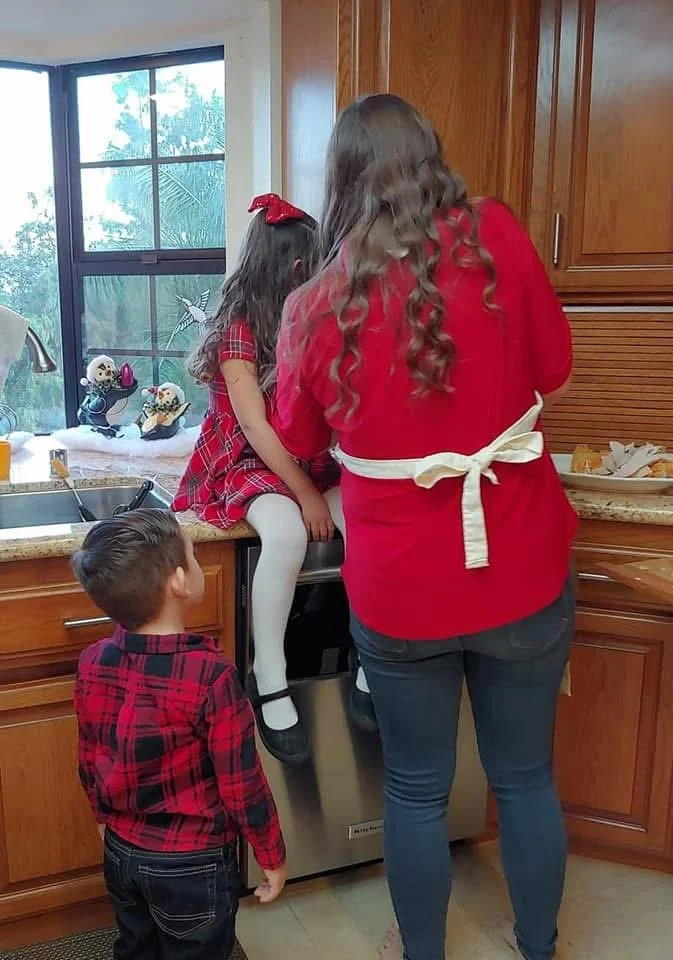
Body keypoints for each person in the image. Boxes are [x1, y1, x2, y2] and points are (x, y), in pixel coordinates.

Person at [273, 94, 577, 960]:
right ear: (431, 159)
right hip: (520, 569)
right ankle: (538, 944)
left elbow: (301, 442)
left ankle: (422, 955)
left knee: (413, 789)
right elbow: (553, 366)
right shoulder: (499, 237)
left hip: (399, 589)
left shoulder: (315, 302)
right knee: (523, 780)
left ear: (340, 181)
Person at [172, 193, 372, 764]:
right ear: (292, 268)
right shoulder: (239, 329)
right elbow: (256, 430)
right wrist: (307, 493)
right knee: (284, 536)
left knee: (365, 520)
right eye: (316, 264)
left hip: (311, 459)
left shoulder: (315, 319)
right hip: (253, 463)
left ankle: (369, 653)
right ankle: (271, 673)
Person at [72, 510, 286, 960]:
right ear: (178, 583)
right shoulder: (212, 677)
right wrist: (271, 853)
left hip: (121, 851)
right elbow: (241, 783)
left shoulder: (93, 660)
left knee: (136, 947)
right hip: (193, 864)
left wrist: (101, 814)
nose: (197, 559)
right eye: (193, 553)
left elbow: (90, 753)